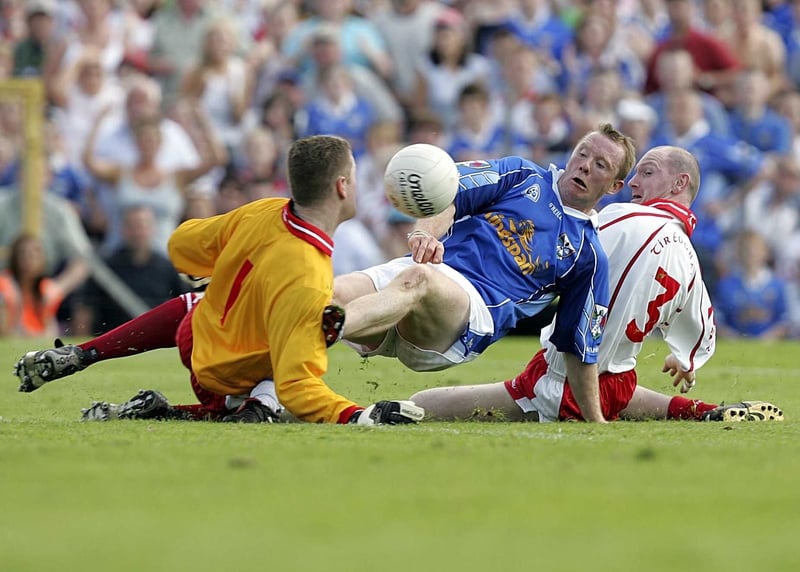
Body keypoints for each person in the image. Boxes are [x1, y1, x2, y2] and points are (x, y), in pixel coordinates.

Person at [12, 135, 424, 427]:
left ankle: (82, 355)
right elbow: (298, 385)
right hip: (225, 374)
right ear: (341, 186)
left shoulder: (265, 210)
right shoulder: (308, 273)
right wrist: (360, 414)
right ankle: (232, 408)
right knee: (295, 358)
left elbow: (182, 244)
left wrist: (227, 277)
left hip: (196, 331)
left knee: (208, 303)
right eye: (354, 176)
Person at [408, 146, 783, 423]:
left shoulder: (622, 216)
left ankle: (381, 412)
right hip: (619, 382)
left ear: (679, 183)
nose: (634, 181)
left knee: (424, 404)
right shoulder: (689, 257)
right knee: (613, 377)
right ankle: (700, 411)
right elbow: (702, 326)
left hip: (563, 379)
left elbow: (564, 246)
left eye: (647, 173)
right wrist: (685, 360)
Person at [333, 123, 638, 423]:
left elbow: (579, 345)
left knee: (419, 281)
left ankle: (330, 326)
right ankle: (291, 393)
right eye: (582, 154)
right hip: (413, 277)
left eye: (600, 165)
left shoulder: (589, 254)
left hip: (467, 315)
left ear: (614, 186)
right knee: (330, 294)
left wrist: (595, 419)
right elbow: (449, 194)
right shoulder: (521, 174)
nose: (585, 166)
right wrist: (424, 234)